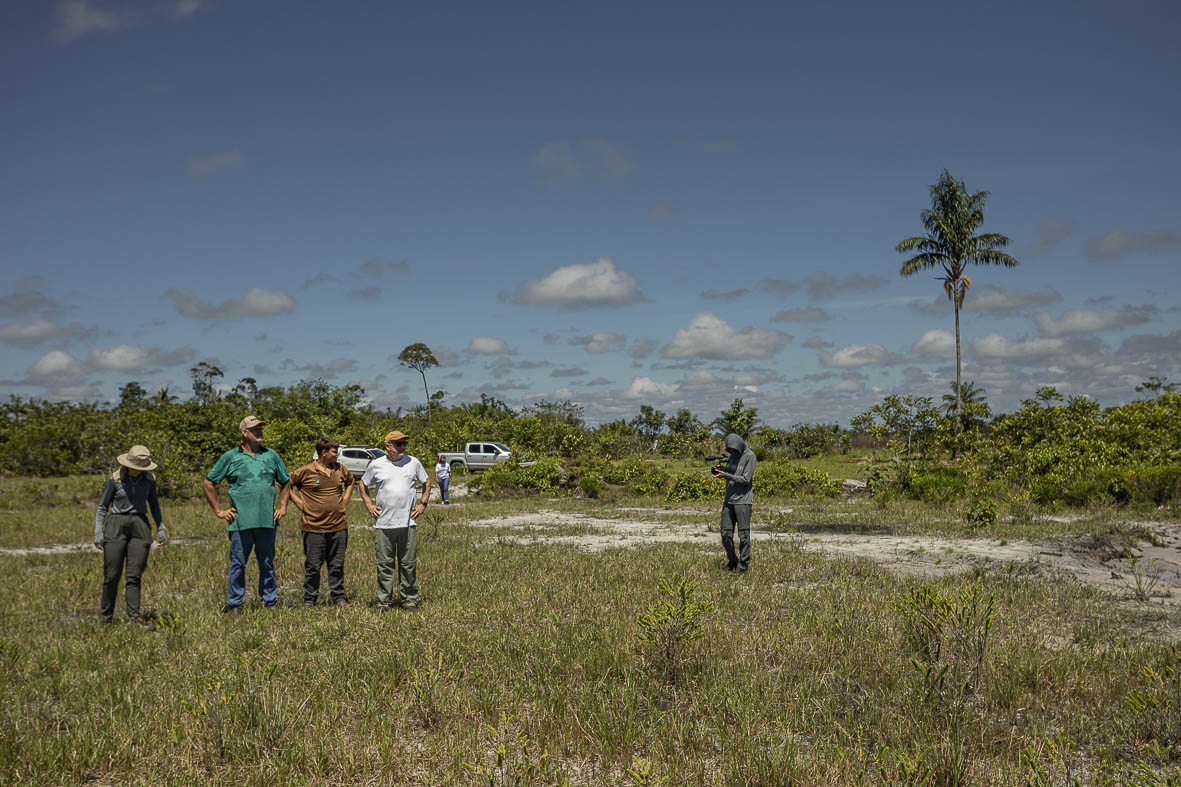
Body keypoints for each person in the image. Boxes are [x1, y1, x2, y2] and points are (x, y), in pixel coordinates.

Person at [204, 415, 290, 614]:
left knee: (267, 563)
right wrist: (219, 510)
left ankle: (270, 602)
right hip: (240, 522)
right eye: (254, 429)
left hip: (266, 521)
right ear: (244, 433)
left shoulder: (271, 455)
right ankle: (235, 604)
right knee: (238, 564)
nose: (259, 432)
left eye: (260, 428)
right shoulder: (231, 457)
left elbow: (286, 481)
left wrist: (283, 506)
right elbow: (209, 483)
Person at [94, 445, 166, 628]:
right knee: (111, 575)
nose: (138, 471)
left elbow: (154, 506)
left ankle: (134, 618)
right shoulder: (115, 480)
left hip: (140, 526)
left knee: (134, 575)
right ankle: (105, 620)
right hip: (116, 524)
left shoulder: (149, 480)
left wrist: (161, 527)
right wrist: (98, 531)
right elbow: (103, 506)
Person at [359, 430, 430, 611]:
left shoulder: (413, 462)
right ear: (387, 446)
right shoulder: (376, 465)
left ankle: (409, 600)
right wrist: (369, 505)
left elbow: (427, 482)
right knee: (385, 564)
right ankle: (384, 601)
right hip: (384, 523)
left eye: (404, 444)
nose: (402, 447)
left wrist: (423, 504)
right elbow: (363, 484)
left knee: (408, 564)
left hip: (407, 523)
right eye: (398, 444)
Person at [286, 437, 355, 607]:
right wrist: (299, 502)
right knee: (313, 566)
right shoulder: (305, 471)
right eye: (334, 451)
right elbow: (285, 484)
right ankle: (310, 599)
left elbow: (351, 481)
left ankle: (338, 596)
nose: (337, 454)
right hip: (313, 527)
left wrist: (344, 500)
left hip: (339, 526)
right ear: (324, 453)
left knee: (337, 564)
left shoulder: (340, 469)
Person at [711, 433, 757, 573]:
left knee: (743, 535)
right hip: (728, 500)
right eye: (730, 450)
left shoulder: (750, 456)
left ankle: (743, 566)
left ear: (740, 445)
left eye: (734, 449)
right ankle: (732, 561)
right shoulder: (732, 456)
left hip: (743, 501)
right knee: (725, 534)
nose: (732, 452)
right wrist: (722, 470)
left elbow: (745, 479)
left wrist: (725, 475)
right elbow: (731, 472)